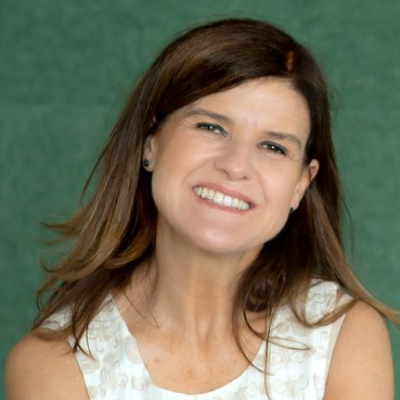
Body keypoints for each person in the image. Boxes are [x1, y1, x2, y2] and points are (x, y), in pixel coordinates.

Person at [5, 18, 397, 400]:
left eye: (273, 147)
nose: (236, 165)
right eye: (211, 127)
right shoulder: (53, 365)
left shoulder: (343, 335)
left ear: (300, 185)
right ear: (150, 142)